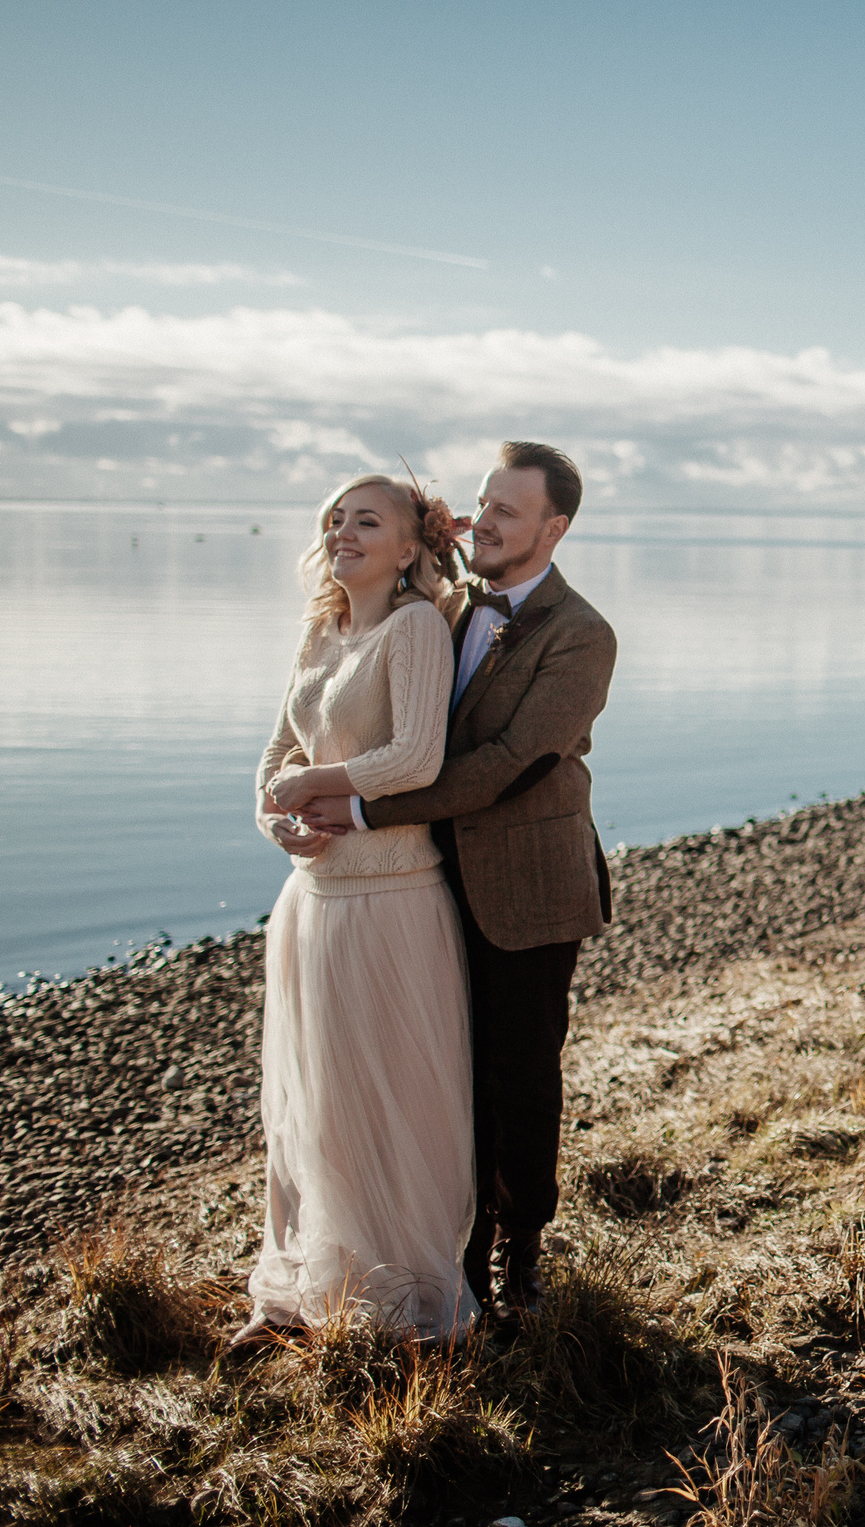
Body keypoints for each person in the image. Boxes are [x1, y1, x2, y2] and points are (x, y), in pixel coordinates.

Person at [298, 440, 616, 1320]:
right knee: (442, 1070)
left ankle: (523, 1254)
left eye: (507, 510)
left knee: (519, 1073)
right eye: (481, 503)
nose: (484, 520)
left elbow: (508, 764)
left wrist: (357, 813)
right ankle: (448, 1251)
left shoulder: (583, 634)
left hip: (530, 889)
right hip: (431, 881)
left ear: (553, 527)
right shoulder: (440, 608)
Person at [245, 472, 478, 1343]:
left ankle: (400, 1303)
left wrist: (318, 781)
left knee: (391, 1103)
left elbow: (415, 756)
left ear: (410, 547)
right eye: (335, 518)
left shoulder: (417, 627)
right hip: (309, 902)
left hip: (390, 901)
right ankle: (303, 1291)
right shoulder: (320, 630)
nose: (343, 531)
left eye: (366, 520)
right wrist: (276, 815)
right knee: (315, 1105)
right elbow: (273, 756)